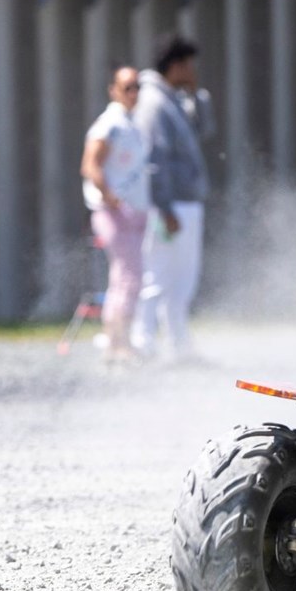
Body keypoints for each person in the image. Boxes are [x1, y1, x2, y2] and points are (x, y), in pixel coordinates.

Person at [132, 34, 214, 362]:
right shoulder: (153, 103)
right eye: (188, 64)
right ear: (175, 65)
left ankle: (178, 343)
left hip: (185, 202)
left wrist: (196, 96)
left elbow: (203, 131)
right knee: (158, 274)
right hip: (169, 205)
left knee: (183, 277)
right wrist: (164, 207)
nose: (193, 71)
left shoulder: (174, 99)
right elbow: (154, 160)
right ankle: (143, 341)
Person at [79, 66, 152, 367]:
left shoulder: (131, 124)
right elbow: (90, 165)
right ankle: (117, 342)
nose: (133, 93)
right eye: (127, 87)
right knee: (127, 276)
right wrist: (112, 199)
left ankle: (120, 341)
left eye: (137, 87)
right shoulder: (109, 124)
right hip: (115, 213)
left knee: (128, 278)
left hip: (134, 212)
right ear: (113, 90)